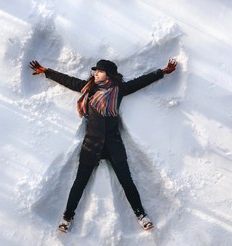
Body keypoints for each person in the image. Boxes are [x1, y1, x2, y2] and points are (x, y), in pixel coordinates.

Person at [29, 58, 177, 233]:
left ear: (109, 75)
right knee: (79, 183)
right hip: (91, 145)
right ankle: (67, 217)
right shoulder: (88, 89)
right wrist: (46, 71)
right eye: (95, 71)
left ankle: (141, 215)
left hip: (114, 145)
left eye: (99, 71)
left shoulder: (119, 90)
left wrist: (162, 71)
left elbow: (141, 82)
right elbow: (68, 80)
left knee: (127, 181)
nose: (96, 73)